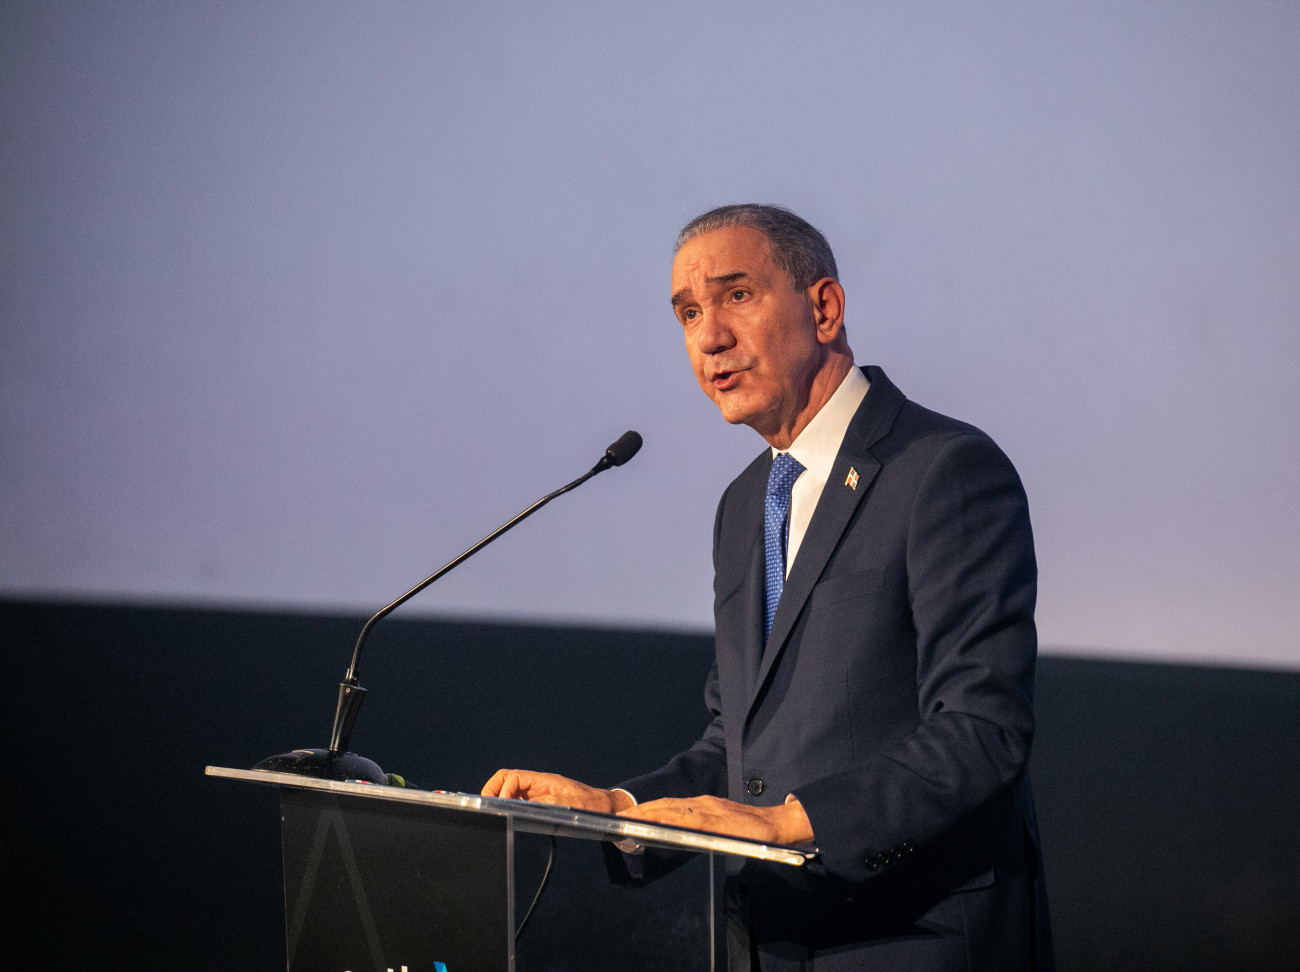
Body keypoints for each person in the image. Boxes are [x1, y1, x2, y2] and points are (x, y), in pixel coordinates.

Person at [483, 204, 1052, 971]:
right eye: (689, 313)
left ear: (825, 308)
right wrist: (618, 811)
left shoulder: (942, 469)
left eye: (737, 295)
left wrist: (790, 823)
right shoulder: (745, 504)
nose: (709, 336)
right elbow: (740, 747)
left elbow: (983, 729)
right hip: (771, 942)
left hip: (910, 941)